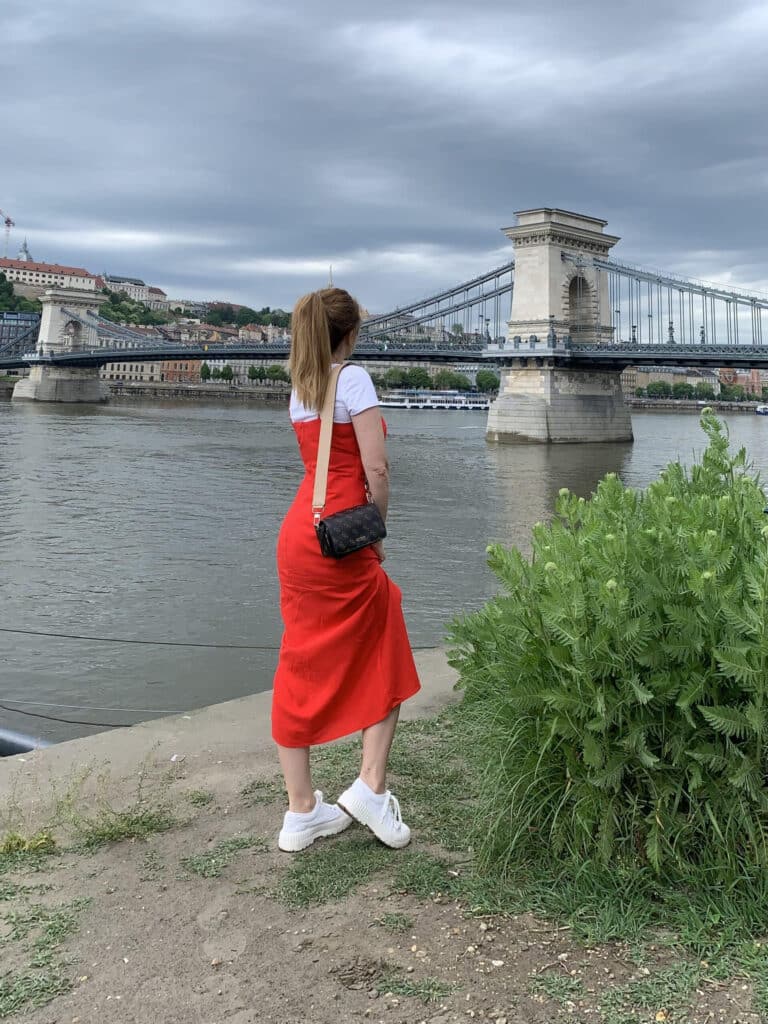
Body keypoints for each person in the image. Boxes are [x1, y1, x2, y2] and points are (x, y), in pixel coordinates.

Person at [272, 287, 421, 853]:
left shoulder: (301, 388)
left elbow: (319, 463)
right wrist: (375, 531)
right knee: (385, 636)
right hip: (341, 534)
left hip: (300, 533)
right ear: (351, 333)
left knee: (298, 657)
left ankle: (301, 811)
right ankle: (370, 788)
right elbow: (376, 470)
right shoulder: (353, 380)